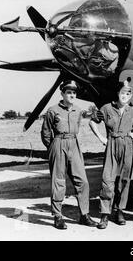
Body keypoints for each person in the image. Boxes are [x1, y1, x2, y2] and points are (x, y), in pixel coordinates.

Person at [41, 80, 98, 230]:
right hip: (58, 143)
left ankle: (84, 215)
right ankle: (58, 216)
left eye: (74, 92)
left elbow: (79, 125)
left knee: (82, 181)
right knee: (58, 182)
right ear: (62, 94)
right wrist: (53, 147)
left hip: (74, 144)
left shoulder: (78, 110)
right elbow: (46, 133)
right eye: (69, 92)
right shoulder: (52, 110)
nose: (72, 95)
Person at [89, 80, 133, 229]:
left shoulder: (132, 110)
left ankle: (119, 210)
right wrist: (101, 138)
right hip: (112, 144)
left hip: (127, 146)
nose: (125, 96)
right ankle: (104, 214)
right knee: (107, 180)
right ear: (118, 93)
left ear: (130, 96)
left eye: (128, 93)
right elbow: (92, 122)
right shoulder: (106, 108)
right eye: (123, 93)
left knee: (124, 180)